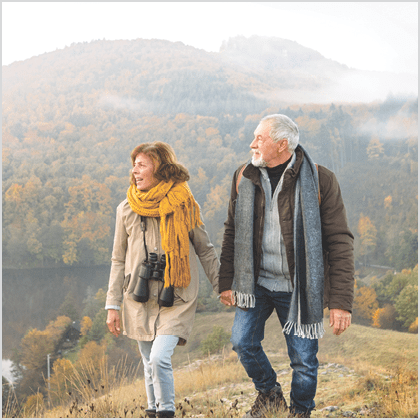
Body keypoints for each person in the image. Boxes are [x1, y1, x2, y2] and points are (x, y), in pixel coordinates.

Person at [218, 114, 354, 418]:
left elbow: (340, 242)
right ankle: (269, 394)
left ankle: (301, 412)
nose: (252, 144)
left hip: (300, 288)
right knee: (242, 343)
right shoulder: (244, 176)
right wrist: (226, 281)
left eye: (259, 139)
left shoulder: (321, 180)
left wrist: (340, 303)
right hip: (257, 283)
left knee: (304, 361)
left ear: (282, 145)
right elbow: (232, 230)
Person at [105, 141, 219, 418]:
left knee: (158, 358)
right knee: (147, 361)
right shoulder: (126, 209)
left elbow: (204, 248)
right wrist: (113, 305)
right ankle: (152, 411)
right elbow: (118, 259)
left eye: (142, 165)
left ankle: (166, 412)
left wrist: (222, 286)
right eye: (134, 165)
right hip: (139, 295)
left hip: (176, 295)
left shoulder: (184, 205)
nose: (134, 171)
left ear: (160, 169)